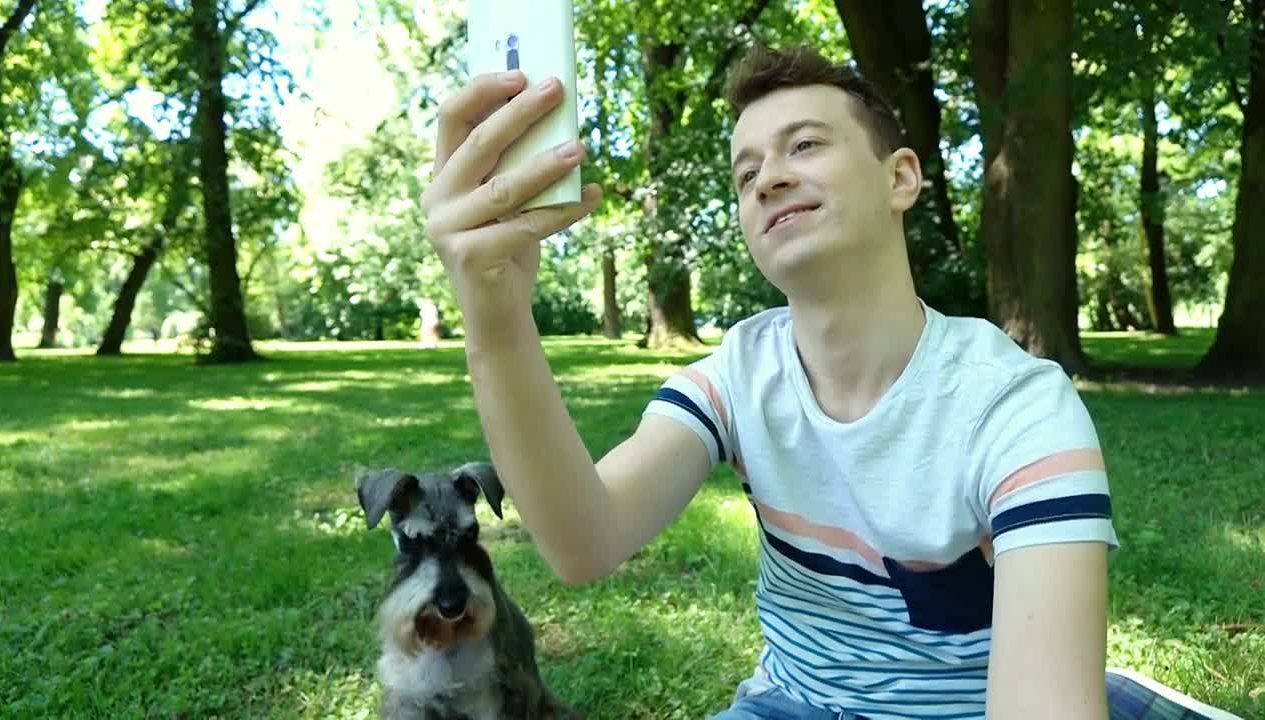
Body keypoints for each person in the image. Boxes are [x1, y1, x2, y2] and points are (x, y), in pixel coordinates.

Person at [420, 45, 1121, 719]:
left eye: (805, 146)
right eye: (745, 172)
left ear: (899, 178)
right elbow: (585, 541)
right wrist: (496, 314)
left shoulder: (1016, 408)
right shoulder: (737, 375)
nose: (768, 179)